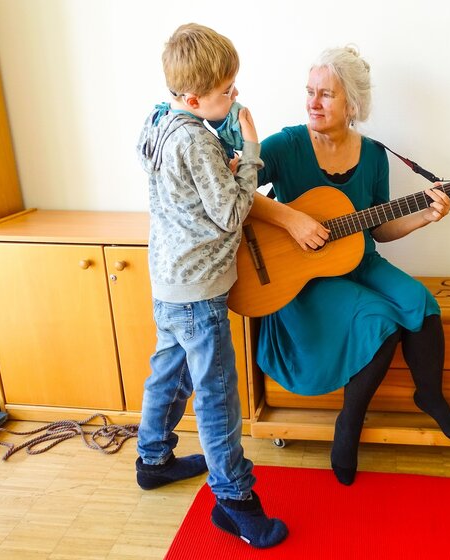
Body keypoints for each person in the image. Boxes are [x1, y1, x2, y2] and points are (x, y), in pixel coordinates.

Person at [249, 46, 450, 486]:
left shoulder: (373, 155)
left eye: (325, 95)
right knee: (379, 319)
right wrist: (292, 219)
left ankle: (430, 395)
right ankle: (348, 424)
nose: (313, 102)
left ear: (352, 104)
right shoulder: (285, 145)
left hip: (358, 259)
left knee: (420, 302)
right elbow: (233, 190)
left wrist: (425, 216)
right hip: (302, 273)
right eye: (310, 92)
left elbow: (379, 228)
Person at [135, 23, 287, 548]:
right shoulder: (199, 139)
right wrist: (250, 152)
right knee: (218, 394)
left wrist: (221, 170)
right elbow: (231, 214)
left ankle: (152, 458)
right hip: (201, 289)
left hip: (168, 280)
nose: (236, 95)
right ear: (195, 98)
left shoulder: (158, 121)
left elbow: (182, 189)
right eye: (227, 91)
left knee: (168, 370)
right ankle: (235, 500)